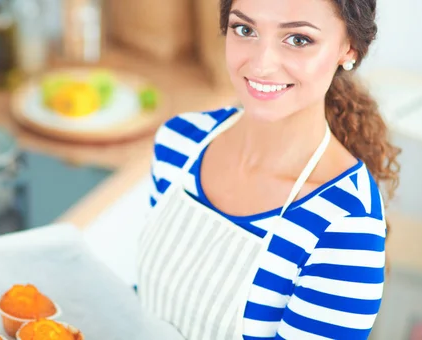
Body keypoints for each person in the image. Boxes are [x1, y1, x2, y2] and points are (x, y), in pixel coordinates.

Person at [136, 0, 401, 339]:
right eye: (245, 30)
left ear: (348, 48)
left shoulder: (347, 226)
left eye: (298, 39)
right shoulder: (180, 143)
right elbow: (147, 306)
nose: (261, 65)